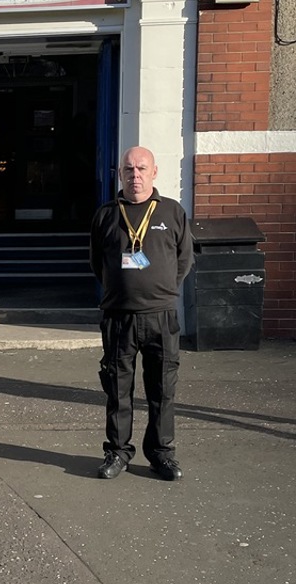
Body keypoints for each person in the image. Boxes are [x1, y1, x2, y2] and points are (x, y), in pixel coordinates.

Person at [89, 146, 194, 481]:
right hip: (119, 318)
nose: (135, 176)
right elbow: (97, 263)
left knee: (162, 390)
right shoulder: (106, 215)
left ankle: (162, 455)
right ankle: (117, 452)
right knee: (118, 390)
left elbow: (184, 260)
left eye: (141, 169)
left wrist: (159, 291)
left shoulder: (172, 213)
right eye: (129, 170)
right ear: (120, 174)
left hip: (161, 317)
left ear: (154, 172)